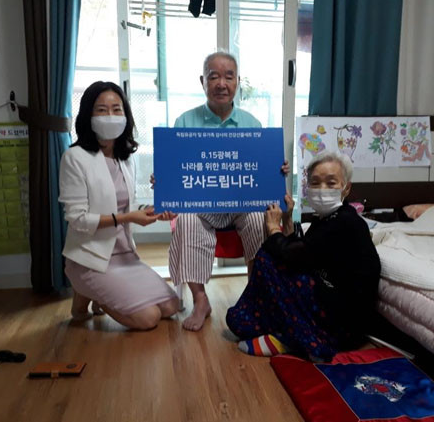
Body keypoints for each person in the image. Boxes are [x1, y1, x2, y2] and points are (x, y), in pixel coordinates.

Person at [161, 51, 289, 331]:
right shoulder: (185, 122)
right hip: (201, 206)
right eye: (214, 77)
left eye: (228, 77)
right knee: (186, 219)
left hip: (241, 205)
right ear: (202, 81)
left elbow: (261, 171)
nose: (221, 83)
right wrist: (165, 179)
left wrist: (276, 171)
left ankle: (255, 294)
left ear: (237, 82)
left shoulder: (252, 124)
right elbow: (174, 169)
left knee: (258, 218)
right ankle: (200, 300)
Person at [226, 151, 381, 361]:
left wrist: (274, 228)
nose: (322, 189)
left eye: (331, 183)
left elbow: (291, 255)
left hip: (342, 327)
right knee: (273, 258)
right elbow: (301, 252)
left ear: (346, 188)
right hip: (329, 306)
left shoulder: (346, 222)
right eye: (315, 183)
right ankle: (286, 330)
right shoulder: (327, 219)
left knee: (267, 257)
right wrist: (288, 217)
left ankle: (298, 339)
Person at [59, 81, 178, 330]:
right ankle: (86, 290)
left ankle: (94, 295)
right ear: (88, 115)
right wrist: (129, 218)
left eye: (116, 109)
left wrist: (156, 211)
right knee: (148, 318)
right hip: (91, 259)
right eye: (101, 110)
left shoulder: (126, 158)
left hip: (124, 256)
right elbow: (78, 219)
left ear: (126, 114)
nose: (110, 116)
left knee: (170, 307)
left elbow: (128, 206)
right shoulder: (74, 157)